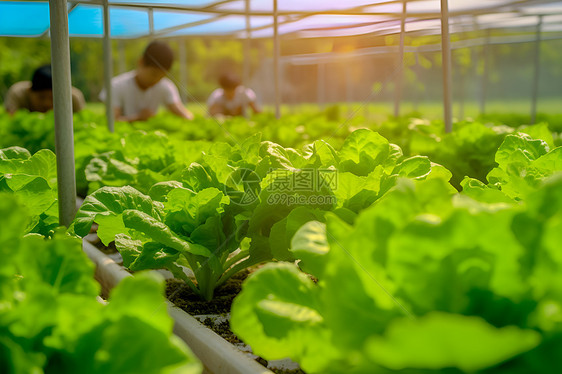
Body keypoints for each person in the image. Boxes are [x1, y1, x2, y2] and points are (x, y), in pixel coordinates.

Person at [100, 40, 193, 122]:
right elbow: (111, 122)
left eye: (161, 76)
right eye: (154, 74)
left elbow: (183, 114)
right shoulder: (116, 86)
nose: (156, 80)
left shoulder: (165, 86)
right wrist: (139, 118)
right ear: (141, 62)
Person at [4, 65, 85, 115]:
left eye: (53, 98)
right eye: (41, 97)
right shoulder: (17, 93)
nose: (47, 103)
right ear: (29, 91)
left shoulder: (72, 97)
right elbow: (10, 120)